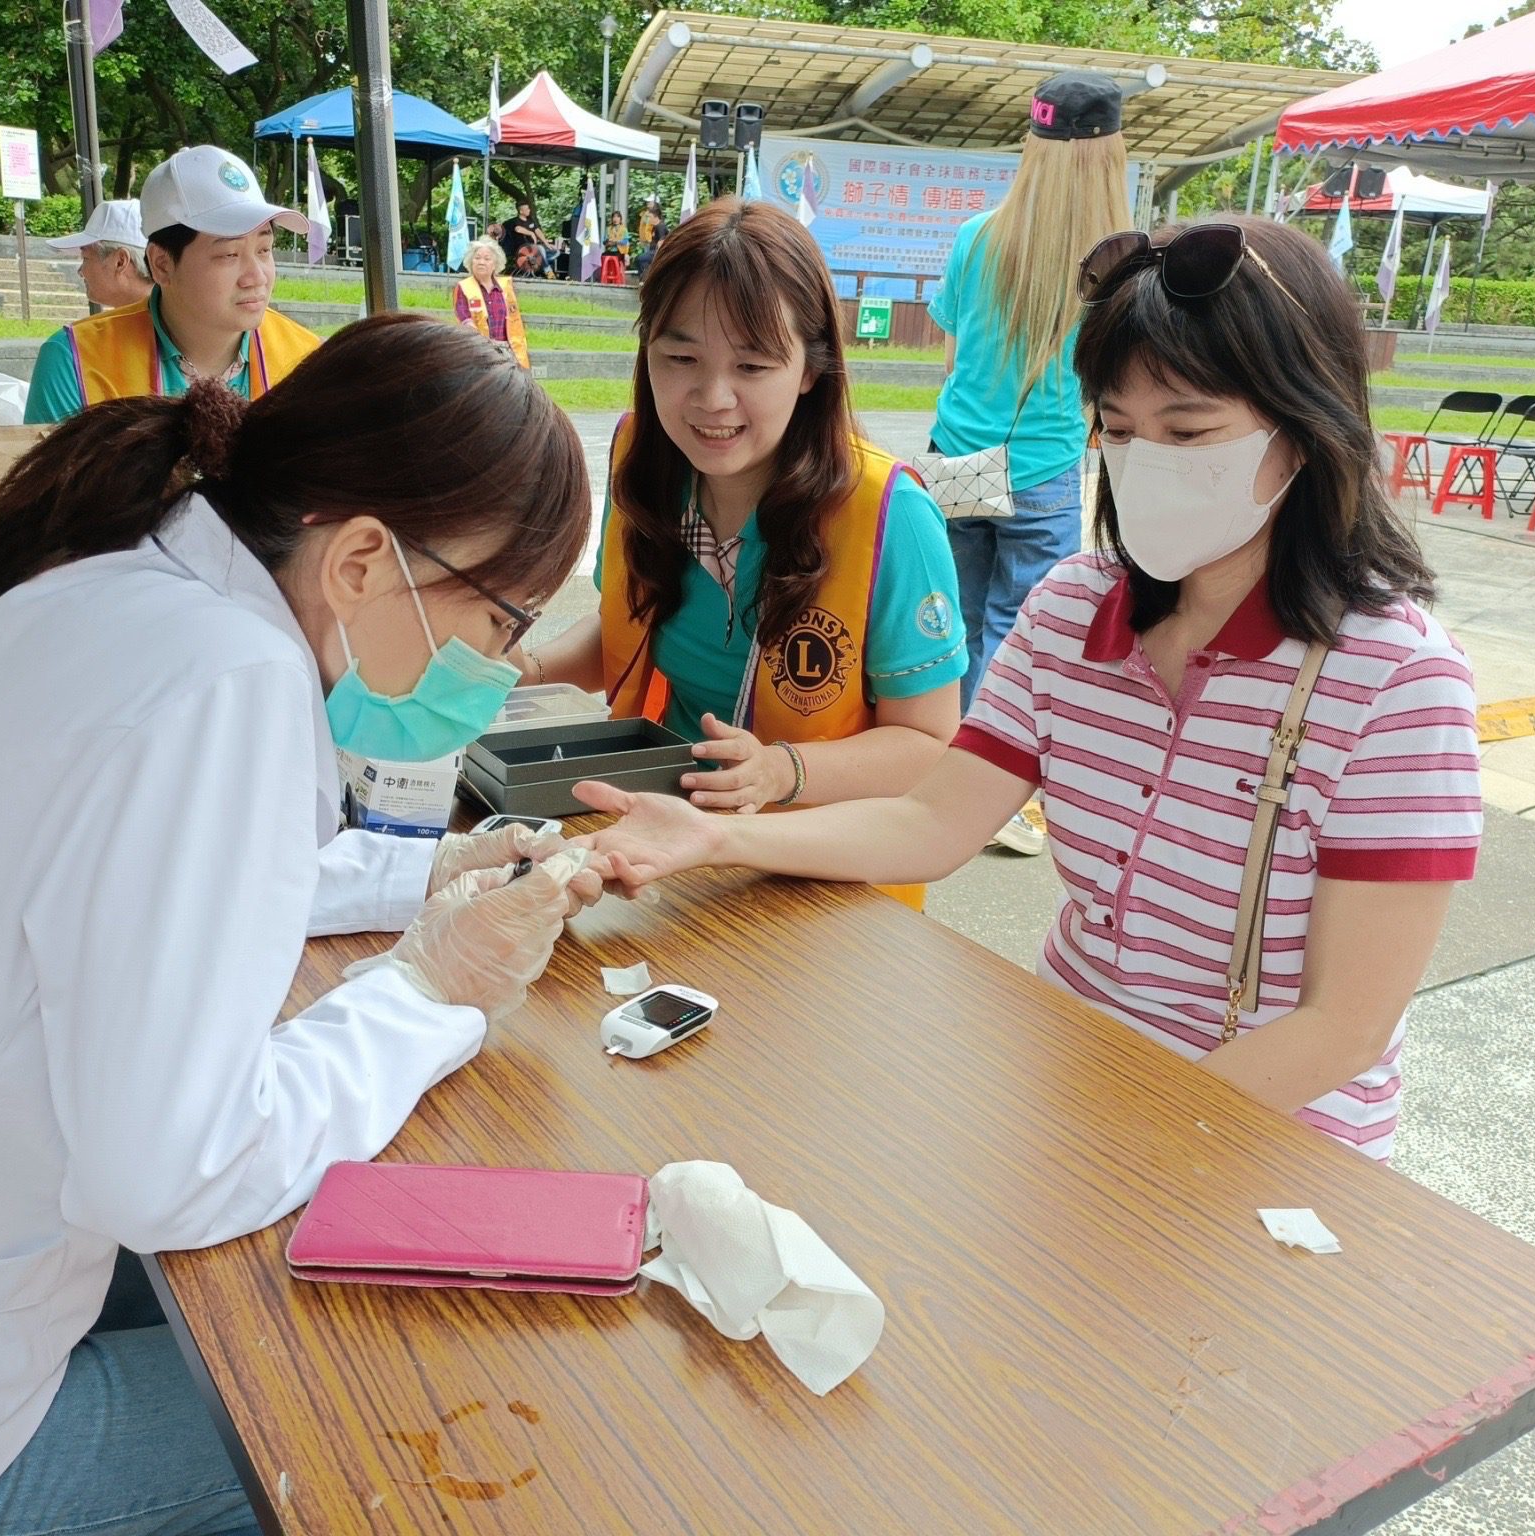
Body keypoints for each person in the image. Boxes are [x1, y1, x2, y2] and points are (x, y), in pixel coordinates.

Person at [0, 314, 617, 1535]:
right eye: (504, 619)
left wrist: (414, 881)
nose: (501, 664)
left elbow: (105, 883)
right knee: (388, 1429)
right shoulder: (231, 683)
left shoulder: (122, 591)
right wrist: (427, 997)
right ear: (364, 560)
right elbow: (171, 1174)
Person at [583, 216, 1483, 1164]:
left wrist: (1121, 1154)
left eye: (1190, 431)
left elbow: (1342, 1026)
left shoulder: (1398, 681)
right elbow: (932, 824)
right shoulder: (1072, 610)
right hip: (1064, 1077)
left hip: (1266, 1139)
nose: (1146, 463)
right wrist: (720, 837)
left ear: (1308, 428)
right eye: (1121, 430)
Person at [520, 198, 966, 908]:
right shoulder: (643, 460)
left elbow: (926, 742)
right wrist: (527, 669)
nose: (712, 399)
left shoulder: (889, 514)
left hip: (827, 875)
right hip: (666, 837)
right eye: (681, 357)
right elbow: (632, 621)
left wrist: (778, 772)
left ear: (812, 369)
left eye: (754, 365)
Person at [928, 71, 1129, 854]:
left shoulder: (978, 237)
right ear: (1109, 156)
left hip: (957, 456)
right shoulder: (1117, 261)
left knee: (952, 626)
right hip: (1042, 467)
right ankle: (989, 800)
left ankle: (942, 768)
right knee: (1017, 635)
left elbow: (954, 355)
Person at [25, 146, 321, 424]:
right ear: (162, 265)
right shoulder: (76, 362)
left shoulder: (308, 362)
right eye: (229, 254)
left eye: (264, 250)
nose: (257, 276)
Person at [46, 196, 154, 310]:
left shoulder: (131, 326)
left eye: (85, 258)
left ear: (120, 261)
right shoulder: (168, 320)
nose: (80, 271)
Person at [452, 238, 531, 368]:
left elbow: (514, 320)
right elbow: (464, 318)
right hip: (478, 349)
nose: (481, 262)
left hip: (508, 349)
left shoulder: (506, 287)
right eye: (477, 258)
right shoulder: (463, 287)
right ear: (471, 261)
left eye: (487, 259)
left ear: (495, 264)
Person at [501, 200, 542, 267]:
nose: (529, 210)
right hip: (522, 247)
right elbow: (518, 229)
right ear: (521, 211)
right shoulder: (515, 221)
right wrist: (531, 233)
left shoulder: (530, 220)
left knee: (547, 250)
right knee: (541, 250)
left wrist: (547, 243)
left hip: (531, 246)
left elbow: (537, 230)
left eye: (529, 208)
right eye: (527, 209)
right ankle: (548, 271)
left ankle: (543, 269)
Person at [636, 195, 667, 278]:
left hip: (656, 252)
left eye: (650, 218)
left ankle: (645, 279)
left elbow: (661, 242)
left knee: (641, 259)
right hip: (651, 247)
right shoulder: (655, 225)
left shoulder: (661, 227)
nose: (648, 220)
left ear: (655, 217)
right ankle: (644, 278)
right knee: (641, 259)